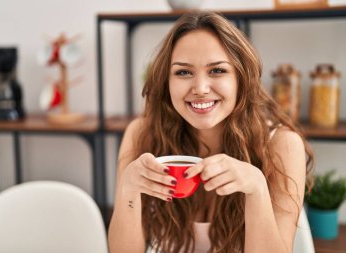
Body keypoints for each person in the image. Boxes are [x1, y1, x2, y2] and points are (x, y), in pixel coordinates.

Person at [108, 11, 313, 253]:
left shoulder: (282, 145)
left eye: (217, 70)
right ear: (167, 82)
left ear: (241, 77)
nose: (201, 88)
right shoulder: (142, 133)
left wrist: (257, 188)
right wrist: (128, 191)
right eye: (183, 72)